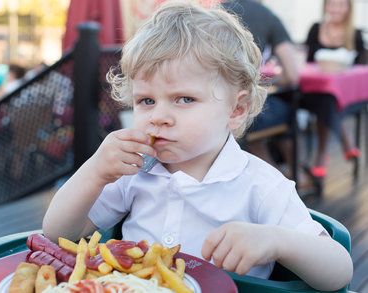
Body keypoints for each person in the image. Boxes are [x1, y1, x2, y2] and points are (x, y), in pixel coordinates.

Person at [43, 2, 352, 290]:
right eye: (146, 101)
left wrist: (275, 240)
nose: (159, 117)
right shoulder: (133, 172)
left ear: (236, 110)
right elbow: (59, 234)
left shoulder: (261, 186)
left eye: (184, 99)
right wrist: (95, 171)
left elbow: (339, 271)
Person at [222, 0, 300, 177]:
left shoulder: (213, 14)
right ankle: (293, 176)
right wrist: (270, 81)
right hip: (243, 110)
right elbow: (292, 75)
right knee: (286, 110)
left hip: (217, 107)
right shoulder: (267, 15)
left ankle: (275, 175)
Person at [302, 0, 366, 179]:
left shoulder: (356, 34)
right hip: (313, 90)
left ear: (349, 8)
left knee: (328, 100)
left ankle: (321, 156)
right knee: (327, 100)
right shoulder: (316, 29)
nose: (335, 9)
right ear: (325, 6)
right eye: (332, 4)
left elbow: (360, 70)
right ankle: (347, 142)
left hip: (344, 96)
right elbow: (306, 61)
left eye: (341, 4)